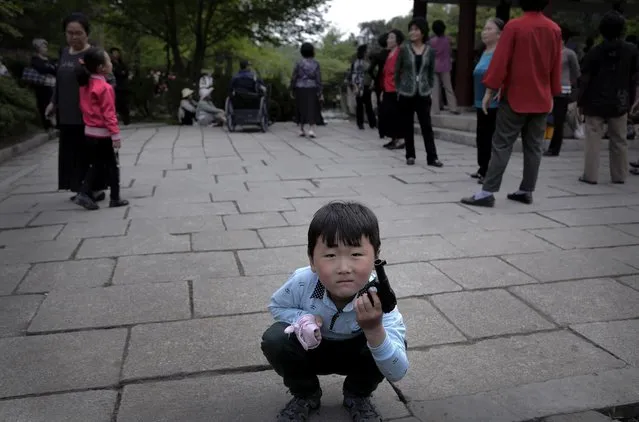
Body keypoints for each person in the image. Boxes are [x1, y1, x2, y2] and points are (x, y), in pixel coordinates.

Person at [261, 201, 408, 422]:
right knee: (275, 338)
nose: (344, 268)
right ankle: (306, 393)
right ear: (312, 260)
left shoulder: (380, 298)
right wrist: (302, 319)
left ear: (375, 257)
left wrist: (375, 329)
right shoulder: (302, 282)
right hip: (313, 349)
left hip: (357, 354)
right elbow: (277, 305)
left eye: (356, 254)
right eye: (330, 255)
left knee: (387, 342)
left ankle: (357, 394)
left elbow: (397, 372)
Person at [461, 0, 562, 208]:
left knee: (501, 144)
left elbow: (501, 60)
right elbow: (555, 64)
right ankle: (526, 190)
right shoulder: (554, 29)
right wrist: (552, 93)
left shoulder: (514, 26)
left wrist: (490, 89)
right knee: (534, 147)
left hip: (515, 96)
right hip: (541, 98)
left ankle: (487, 192)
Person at [46, 12, 107, 201]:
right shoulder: (64, 53)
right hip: (67, 110)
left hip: (88, 112)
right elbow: (59, 80)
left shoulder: (93, 55)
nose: (74, 37)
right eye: (70, 33)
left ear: (86, 33)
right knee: (72, 151)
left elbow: (104, 82)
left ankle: (93, 188)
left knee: (88, 151)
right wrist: (52, 102)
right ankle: (80, 187)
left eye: (78, 33)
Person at [577, 10, 639, 185]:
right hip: (620, 100)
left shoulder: (594, 52)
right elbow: (634, 77)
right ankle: (619, 175)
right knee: (619, 139)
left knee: (593, 139)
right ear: (622, 30)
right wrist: (632, 99)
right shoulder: (631, 50)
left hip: (594, 101)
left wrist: (581, 102)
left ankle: (590, 176)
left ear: (602, 30)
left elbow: (585, 79)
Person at [75, 47, 128, 210]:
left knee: (96, 164)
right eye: (108, 61)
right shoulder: (105, 87)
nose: (111, 63)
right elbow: (109, 113)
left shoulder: (85, 84)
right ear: (101, 68)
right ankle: (114, 197)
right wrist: (115, 134)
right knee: (112, 165)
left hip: (90, 131)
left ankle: (85, 192)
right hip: (103, 133)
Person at [395, 17, 443, 167]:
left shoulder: (430, 51)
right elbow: (397, 71)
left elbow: (430, 73)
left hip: (423, 94)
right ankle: (410, 155)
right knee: (407, 125)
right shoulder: (403, 49)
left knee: (426, 126)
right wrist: (399, 88)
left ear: (423, 32)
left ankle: (432, 157)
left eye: (416, 29)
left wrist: (428, 88)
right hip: (406, 93)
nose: (412, 32)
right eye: (411, 29)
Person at [471, 18, 505, 184]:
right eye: (484, 29)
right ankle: (482, 167)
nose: (484, 32)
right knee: (481, 136)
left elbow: (506, 74)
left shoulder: (501, 54)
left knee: (490, 137)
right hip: (479, 101)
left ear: (499, 35)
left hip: (494, 103)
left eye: (489, 29)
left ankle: (489, 171)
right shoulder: (483, 52)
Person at [544, 27, 581, 156]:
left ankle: (554, 148)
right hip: (548, 90)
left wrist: (572, 84)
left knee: (558, 120)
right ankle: (545, 145)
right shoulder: (549, 52)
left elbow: (576, 72)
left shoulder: (569, 53)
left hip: (563, 90)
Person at [379, 29, 405, 150]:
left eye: (391, 38)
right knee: (388, 114)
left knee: (397, 114)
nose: (388, 40)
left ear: (397, 40)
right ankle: (393, 138)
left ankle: (400, 139)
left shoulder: (400, 53)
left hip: (396, 89)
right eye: (388, 38)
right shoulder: (389, 54)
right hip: (387, 88)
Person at [290, 42, 322, 138]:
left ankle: (301, 129)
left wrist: (292, 88)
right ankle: (311, 129)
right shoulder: (316, 63)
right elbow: (318, 78)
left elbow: (294, 76)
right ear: (312, 51)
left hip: (300, 87)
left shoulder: (299, 63)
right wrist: (320, 90)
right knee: (312, 107)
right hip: (312, 87)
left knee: (301, 107)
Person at [429, 20, 459, 114]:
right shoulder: (448, 40)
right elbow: (450, 51)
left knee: (435, 89)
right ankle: (453, 108)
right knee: (448, 87)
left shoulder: (431, 41)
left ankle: (435, 109)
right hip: (445, 66)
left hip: (433, 66)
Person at [30, 39, 57, 136]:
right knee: (44, 105)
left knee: (54, 104)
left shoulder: (49, 59)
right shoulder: (35, 59)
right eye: (43, 47)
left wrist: (50, 68)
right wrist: (50, 68)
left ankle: (55, 124)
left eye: (46, 47)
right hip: (42, 87)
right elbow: (42, 69)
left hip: (52, 85)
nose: (46, 49)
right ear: (38, 48)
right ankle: (48, 126)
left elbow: (54, 69)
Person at [368, 33, 390, 138]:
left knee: (381, 107)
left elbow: (370, 70)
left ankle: (382, 131)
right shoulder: (394, 54)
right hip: (391, 81)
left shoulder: (378, 55)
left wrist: (375, 78)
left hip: (380, 82)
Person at [350, 45, 377, 130]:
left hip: (359, 86)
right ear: (364, 53)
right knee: (367, 105)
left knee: (360, 105)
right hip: (363, 86)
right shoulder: (364, 63)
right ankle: (372, 123)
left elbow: (352, 75)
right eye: (367, 51)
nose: (368, 52)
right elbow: (373, 71)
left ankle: (361, 123)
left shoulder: (355, 63)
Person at [109, 48, 130, 126]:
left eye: (117, 53)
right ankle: (113, 120)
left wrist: (121, 72)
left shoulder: (122, 63)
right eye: (114, 53)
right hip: (115, 86)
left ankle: (126, 119)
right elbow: (115, 73)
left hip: (123, 86)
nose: (116, 55)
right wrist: (120, 72)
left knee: (124, 103)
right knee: (115, 104)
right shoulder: (110, 64)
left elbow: (126, 73)